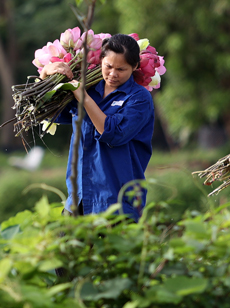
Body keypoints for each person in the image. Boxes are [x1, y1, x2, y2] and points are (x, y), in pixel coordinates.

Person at [40, 34, 155, 221]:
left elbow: (113, 133)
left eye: (121, 69)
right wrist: (46, 74)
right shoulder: (90, 88)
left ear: (134, 67)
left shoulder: (139, 98)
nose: (112, 74)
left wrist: (83, 97)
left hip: (117, 204)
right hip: (78, 201)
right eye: (108, 66)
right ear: (100, 60)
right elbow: (48, 111)